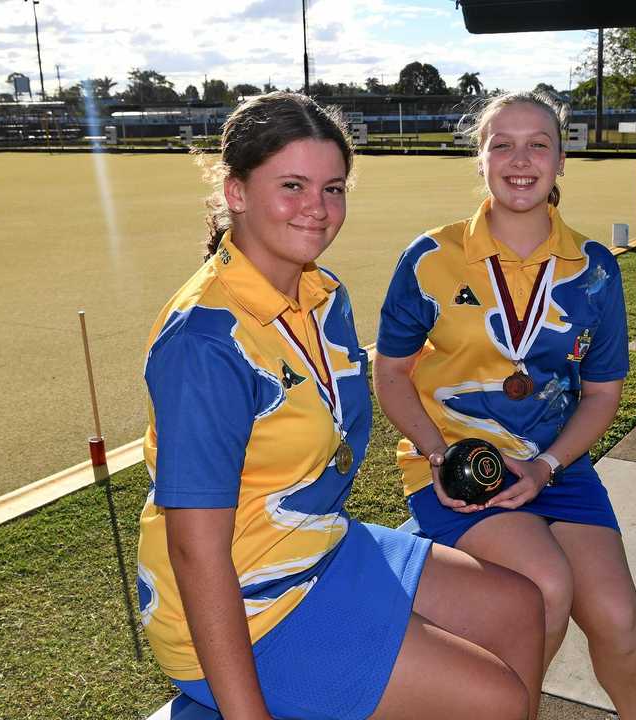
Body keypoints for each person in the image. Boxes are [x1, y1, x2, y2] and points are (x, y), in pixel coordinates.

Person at [135, 92, 544, 720]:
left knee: (520, 606)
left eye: (334, 188)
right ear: (235, 191)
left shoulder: (325, 296)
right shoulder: (206, 341)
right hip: (250, 602)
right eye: (293, 185)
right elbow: (196, 552)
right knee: (495, 700)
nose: (318, 210)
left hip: (320, 545)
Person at [373, 91, 636, 719]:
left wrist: (547, 466)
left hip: (557, 465)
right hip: (458, 468)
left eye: (538, 144)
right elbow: (390, 373)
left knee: (619, 621)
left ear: (560, 160)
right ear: (480, 159)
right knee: (546, 585)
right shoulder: (430, 259)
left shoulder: (596, 270)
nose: (519, 158)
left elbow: (604, 391)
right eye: (501, 143)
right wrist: (440, 455)